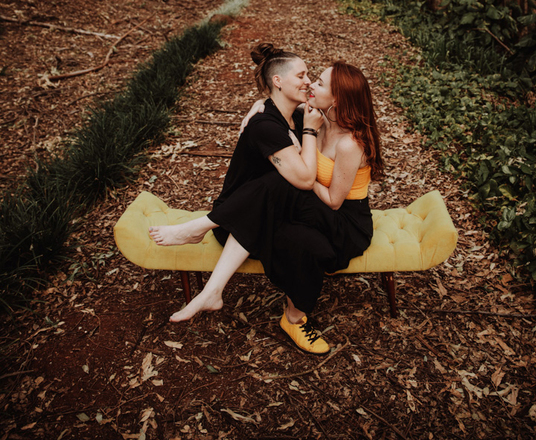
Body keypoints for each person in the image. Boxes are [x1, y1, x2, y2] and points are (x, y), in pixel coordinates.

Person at [149, 46, 382, 355]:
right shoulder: (314, 117)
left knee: (281, 182)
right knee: (297, 239)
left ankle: (202, 226)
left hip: (344, 221)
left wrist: (305, 172)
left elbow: (335, 201)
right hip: (315, 215)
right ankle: (288, 316)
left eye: (320, 83)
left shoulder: (350, 143)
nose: (311, 84)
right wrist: (259, 104)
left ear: (337, 99)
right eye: (309, 78)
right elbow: (276, 106)